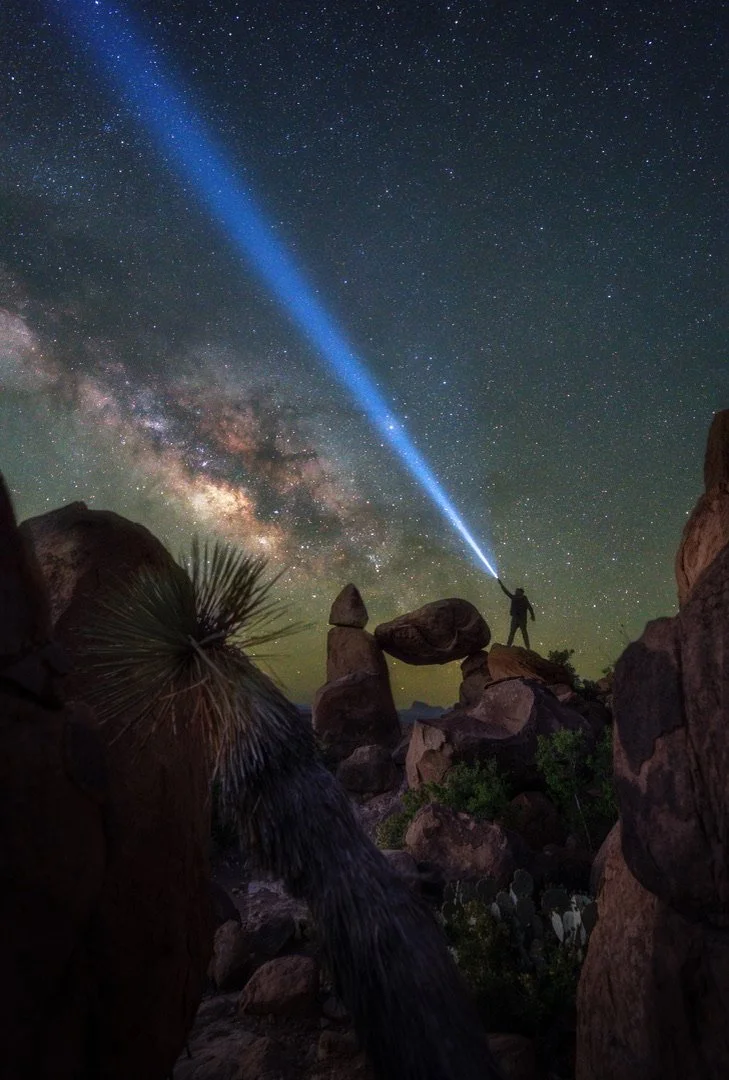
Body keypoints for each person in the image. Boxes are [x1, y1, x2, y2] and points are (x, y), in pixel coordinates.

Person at [497, 578, 535, 649]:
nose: (515, 591)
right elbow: (506, 592)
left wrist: (532, 615)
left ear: (520, 592)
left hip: (521, 619)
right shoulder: (515, 597)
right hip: (515, 618)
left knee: (523, 633)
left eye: (517, 591)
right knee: (513, 633)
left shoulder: (523, 598)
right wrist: (501, 584)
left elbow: (529, 607)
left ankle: (527, 648)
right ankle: (509, 646)